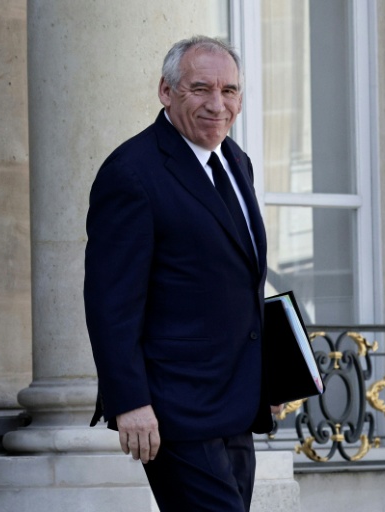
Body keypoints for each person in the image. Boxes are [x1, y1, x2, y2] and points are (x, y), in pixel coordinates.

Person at [84, 36, 279, 511]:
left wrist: (269, 379)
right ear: (166, 92)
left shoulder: (236, 161)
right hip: (175, 408)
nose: (218, 104)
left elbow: (240, 283)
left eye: (229, 90)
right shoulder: (131, 172)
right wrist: (129, 401)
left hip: (235, 404)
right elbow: (111, 302)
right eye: (201, 89)